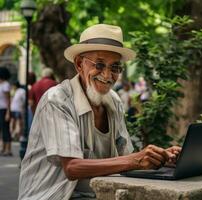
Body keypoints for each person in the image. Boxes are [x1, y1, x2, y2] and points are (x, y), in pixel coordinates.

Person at [18, 24, 181, 200]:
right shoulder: (57, 99)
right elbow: (72, 167)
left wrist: (160, 157)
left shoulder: (114, 101)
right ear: (80, 64)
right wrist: (137, 159)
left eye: (115, 67)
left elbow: (125, 158)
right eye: (100, 64)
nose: (107, 74)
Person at [0, 67, 12, 156]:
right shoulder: (1, 85)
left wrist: (8, 112)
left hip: (4, 110)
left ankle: (8, 149)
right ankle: (3, 148)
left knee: (5, 129)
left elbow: (8, 99)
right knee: (1, 129)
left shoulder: (6, 85)